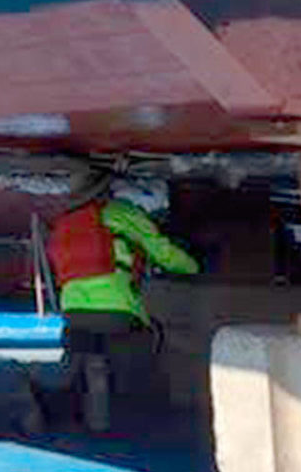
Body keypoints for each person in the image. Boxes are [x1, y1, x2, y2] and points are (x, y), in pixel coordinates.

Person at [46, 175, 198, 430]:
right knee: (150, 338)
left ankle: (78, 405)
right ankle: (139, 411)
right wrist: (195, 266)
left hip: (72, 312)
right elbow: (164, 253)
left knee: (84, 349)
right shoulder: (125, 213)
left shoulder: (66, 222)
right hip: (118, 313)